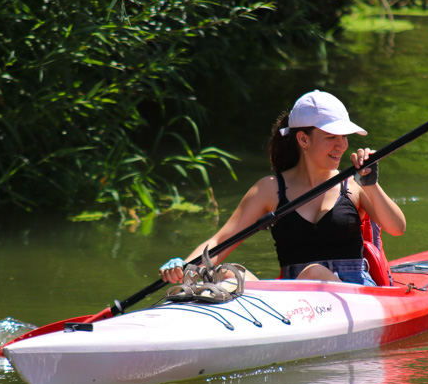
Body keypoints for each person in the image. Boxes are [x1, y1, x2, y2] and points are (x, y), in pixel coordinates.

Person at [159, 90, 406, 287]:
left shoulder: (354, 185)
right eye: (331, 137)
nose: (342, 145)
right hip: (292, 297)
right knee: (225, 273)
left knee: (314, 273)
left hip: (355, 294)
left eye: (345, 137)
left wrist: (371, 183)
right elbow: (221, 240)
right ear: (303, 140)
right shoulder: (269, 190)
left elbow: (397, 228)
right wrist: (187, 267)